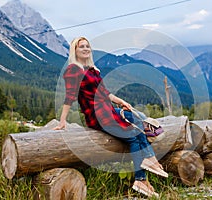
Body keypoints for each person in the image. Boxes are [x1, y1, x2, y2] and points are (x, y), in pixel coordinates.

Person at [54, 36, 168, 198]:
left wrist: (122, 102)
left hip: (109, 110)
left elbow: (105, 93)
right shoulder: (73, 70)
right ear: (75, 51)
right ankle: (142, 177)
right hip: (98, 116)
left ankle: (147, 170)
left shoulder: (92, 70)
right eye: (81, 47)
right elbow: (70, 96)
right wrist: (63, 121)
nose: (86, 49)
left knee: (140, 121)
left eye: (87, 46)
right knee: (134, 136)